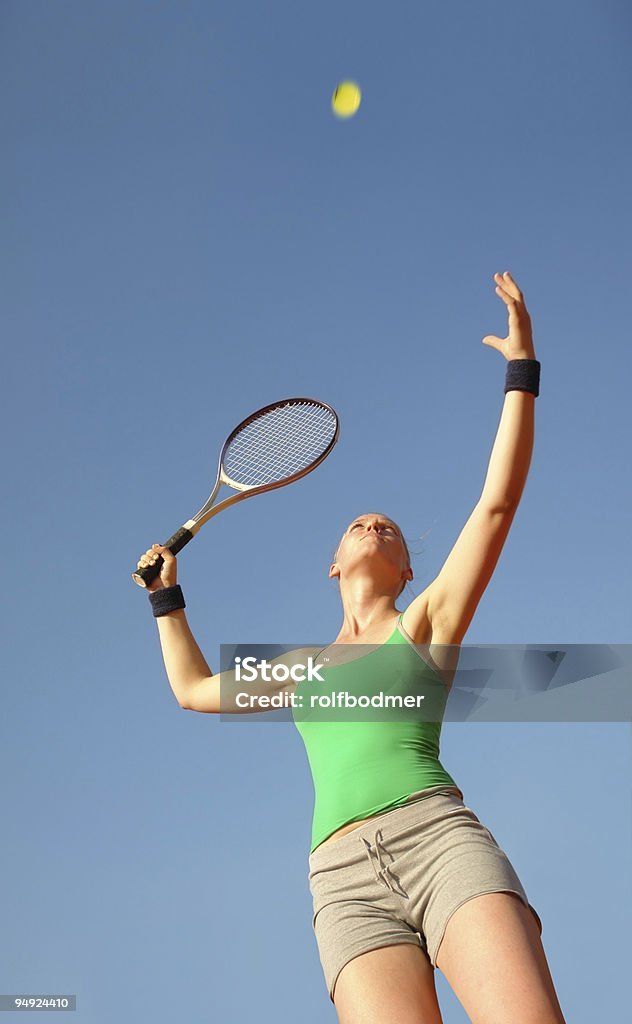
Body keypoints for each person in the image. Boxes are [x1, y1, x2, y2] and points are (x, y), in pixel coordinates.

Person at [136, 272, 567, 1023]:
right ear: (332, 562)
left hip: (437, 838)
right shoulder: (301, 667)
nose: (374, 525)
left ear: (408, 569)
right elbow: (194, 690)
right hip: (339, 880)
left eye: (389, 527)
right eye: (358, 523)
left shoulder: (426, 622)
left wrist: (520, 372)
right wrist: (165, 600)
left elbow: (497, 501)